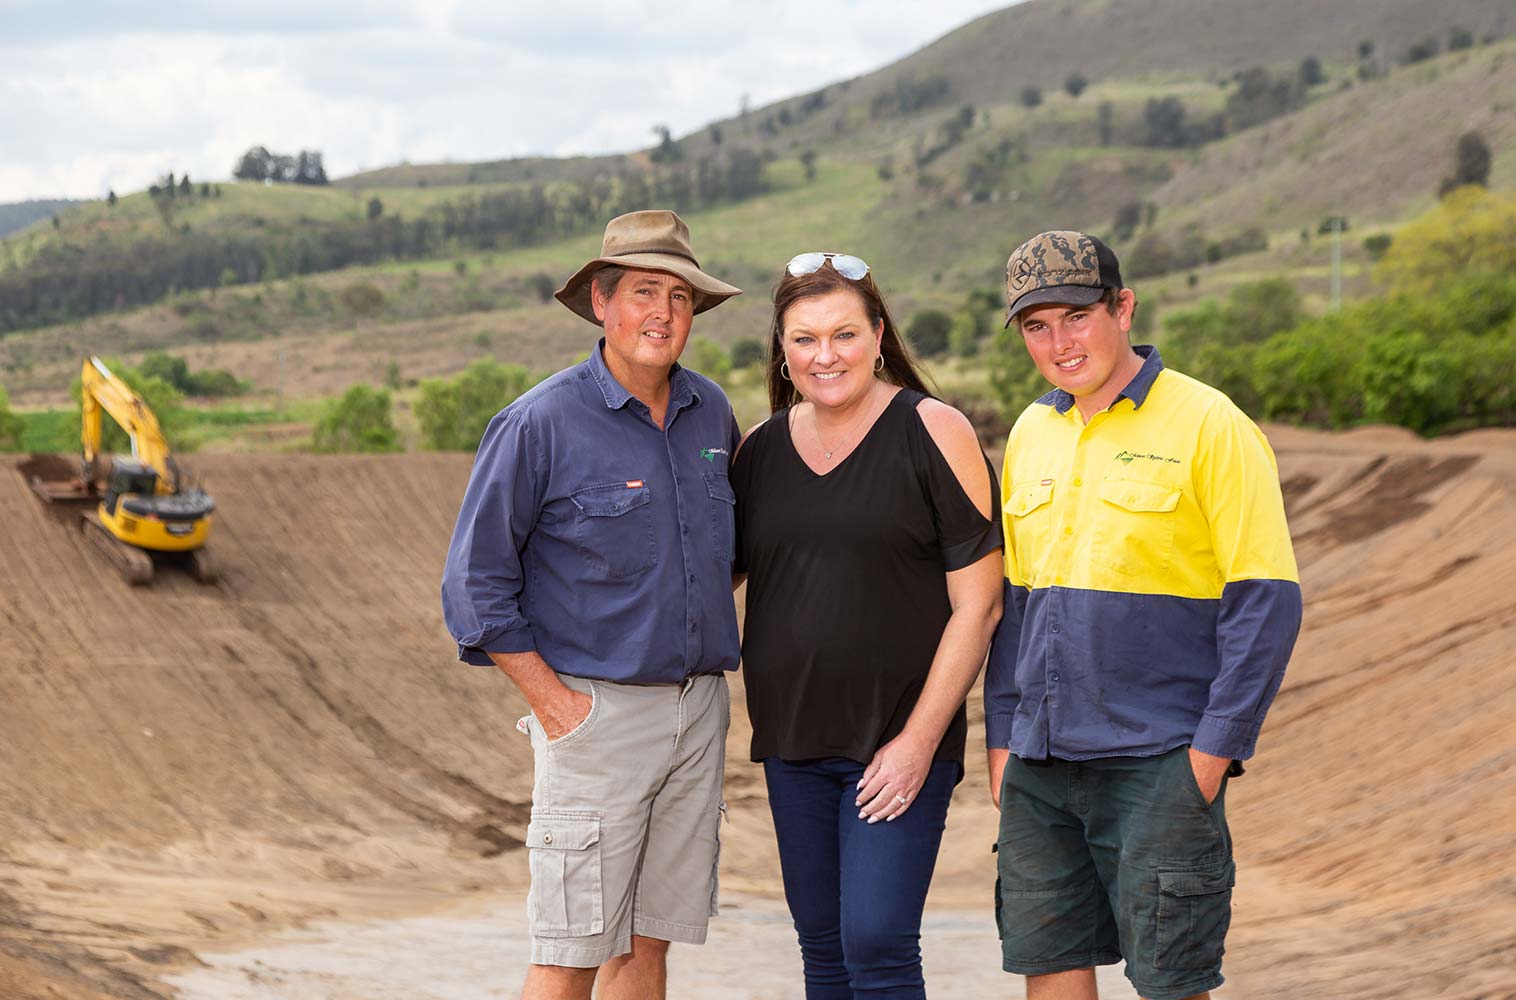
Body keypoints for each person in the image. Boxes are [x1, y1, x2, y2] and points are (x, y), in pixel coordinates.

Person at [984, 231, 1303, 1000]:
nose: (1060, 343)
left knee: (1170, 982)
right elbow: (1015, 607)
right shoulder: (1030, 433)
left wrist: (1211, 756)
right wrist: (1002, 739)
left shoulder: (1210, 424)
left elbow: (1267, 602)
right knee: (1050, 965)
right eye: (1036, 325)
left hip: (1161, 761)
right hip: (1042, 763)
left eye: (1078, 316)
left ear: (1123, 308)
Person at [440, 210, 744, 1000]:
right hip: (596, 718)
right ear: (601, 304)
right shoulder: (539, 422)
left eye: (680, 298)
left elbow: (725, 555)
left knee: (647, 946)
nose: (663, 314)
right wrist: (558, 706)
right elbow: (475, 586)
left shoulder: (711, 414)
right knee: (570, 951)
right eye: (645, 292)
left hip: (698, 712)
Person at [729, 251, 1004, 999]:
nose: (826, 356)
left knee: (877, 942)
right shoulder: (758, 451)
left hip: (897, 738)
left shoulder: (934, 430)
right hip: (792, 742)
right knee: (822, 949)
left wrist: (918, 743)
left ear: (879, 336)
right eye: (804, 339)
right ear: (782, 353)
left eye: (844, 334)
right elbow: (711, 577)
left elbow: (979, 606)